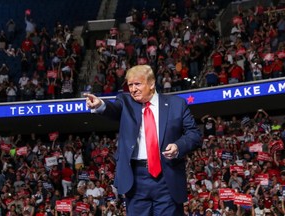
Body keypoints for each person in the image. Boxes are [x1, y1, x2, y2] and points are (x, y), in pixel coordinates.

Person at [85, 64, 202, 215]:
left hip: (167, 178)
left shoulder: (176, 104)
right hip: (135, 180)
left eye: (137, 84)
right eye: (130, 85)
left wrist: (178, 146)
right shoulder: (125, 102)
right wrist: (100, 105)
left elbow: (194, 134)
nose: (133, 89)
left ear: (152, 83)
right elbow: (113, 109)